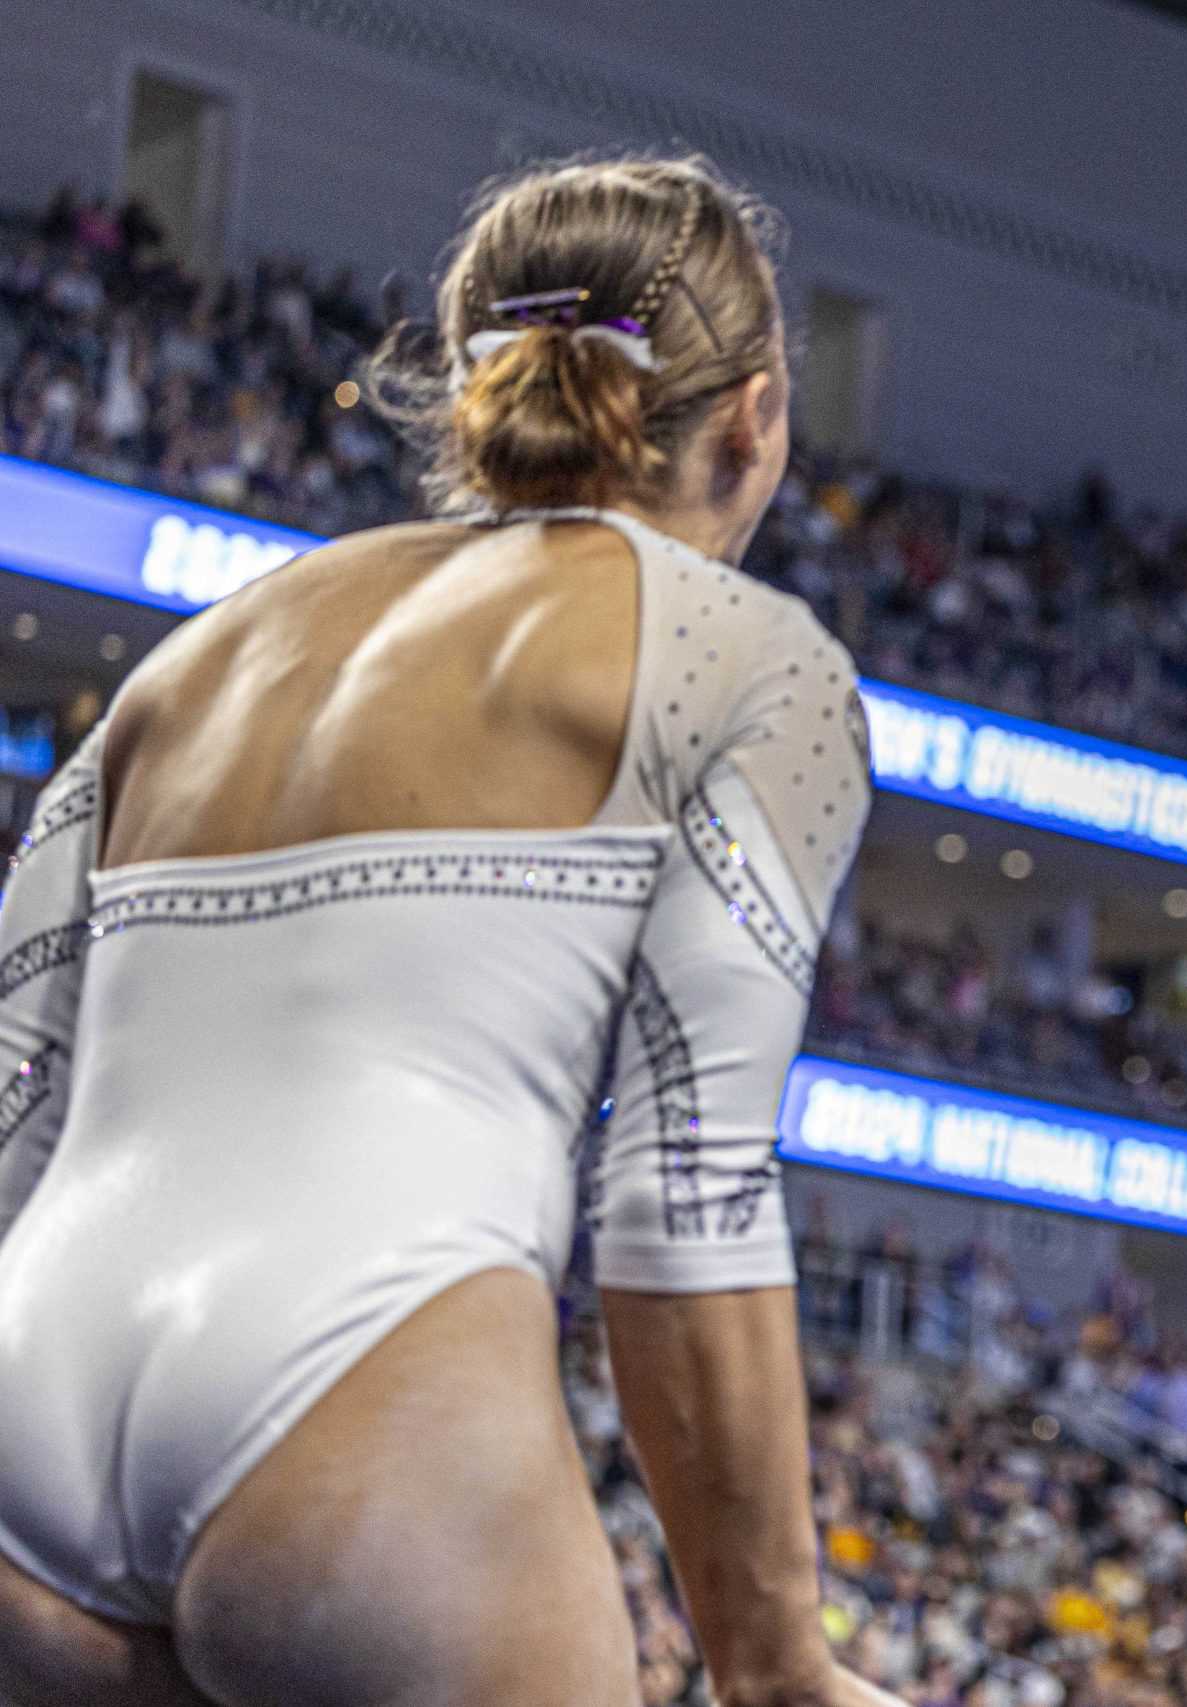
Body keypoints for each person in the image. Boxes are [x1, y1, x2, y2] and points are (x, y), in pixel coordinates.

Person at [0, 154, 905, 1707]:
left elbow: (17, 1097)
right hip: (361, 1401)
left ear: (469, 373)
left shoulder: (194, 657)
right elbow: (683, 1190)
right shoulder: (750, 659)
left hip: (31, 1392)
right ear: (753, 422)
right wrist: (772, 1659)